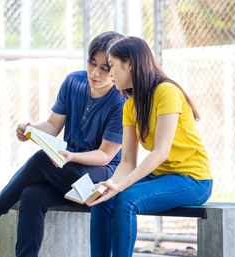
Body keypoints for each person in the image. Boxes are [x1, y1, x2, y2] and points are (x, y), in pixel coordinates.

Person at [0, 31, 126, 257]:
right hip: (69, 175)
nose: (95, 72)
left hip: (100, 184)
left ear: (116, 69)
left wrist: (70, 156)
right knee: (31, 195)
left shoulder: (120, 101)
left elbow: (105, 156)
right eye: (92, 63)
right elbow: (52, 125)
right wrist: (30, 131)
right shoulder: (74, 81)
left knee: (43, 159)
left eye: (104, 69)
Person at [89, 36, 213, 257]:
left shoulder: (167, 91)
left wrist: (122, 187)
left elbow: (161, 151)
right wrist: (111, 184)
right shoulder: (130, 105)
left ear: (130, 63)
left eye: (113, 66)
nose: (110, 74)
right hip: (162, 177)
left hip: (193, 179)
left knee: (126, 199)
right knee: (102, 199)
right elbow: (127, 161)